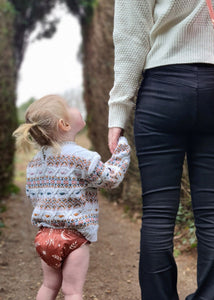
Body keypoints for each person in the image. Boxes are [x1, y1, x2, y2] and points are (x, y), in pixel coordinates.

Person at [107, 1, 214, 299]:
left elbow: (131, 36)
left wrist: (118, 111)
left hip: (162, 90)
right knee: (212, 212)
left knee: (157, 213)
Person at [13, 95, 130, 300]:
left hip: (45, 236)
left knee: (49, 286)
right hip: (73, 236)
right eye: (67, 106)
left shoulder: (34, 163)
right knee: (72, 291)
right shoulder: (82, 157)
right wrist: (121, 152)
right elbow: (110, 179)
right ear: (64, 124)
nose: (73, 106)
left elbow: (33, 196)